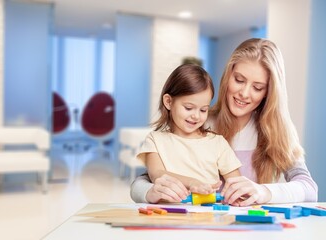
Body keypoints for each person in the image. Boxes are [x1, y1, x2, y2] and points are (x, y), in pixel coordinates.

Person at [130, 38, 318, 206]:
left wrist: (264, 192)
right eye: (239, 80)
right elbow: (147, 179)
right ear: (228, 76)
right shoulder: (200, 123)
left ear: (268, 93)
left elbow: (309, 188)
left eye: (257, 87)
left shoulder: (279, 131)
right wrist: (149, 192)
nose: (244, 93)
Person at [136, 64, 242, 202]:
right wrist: (192, 183)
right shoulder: (155, 140)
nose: (196, 116)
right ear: (168, 102)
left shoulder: (217, 143)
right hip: (167, 216)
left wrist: (238, 197)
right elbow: (158, 175)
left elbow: (237, 184)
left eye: (203, 110)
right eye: (189, 108)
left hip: (207, 218)